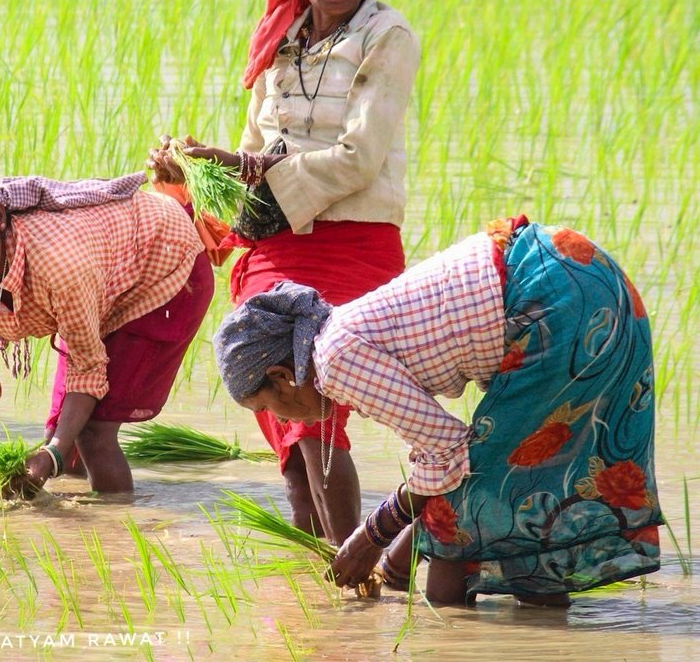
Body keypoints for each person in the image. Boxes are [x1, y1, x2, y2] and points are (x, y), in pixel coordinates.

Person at [150, 0, 420, 552]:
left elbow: (359, 158)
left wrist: (250, 166)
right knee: (282, 412)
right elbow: (254, 148)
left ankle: (350, 563)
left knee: (312, 415)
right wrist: (196, 176)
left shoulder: (388, 36)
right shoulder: (281, 37)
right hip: (274, 245)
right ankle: (317, 580)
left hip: (354, 244)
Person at [212, 216, 660, 605]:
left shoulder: (334, 360)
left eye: (272, 409)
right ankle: (536, 629)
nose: (291, 423)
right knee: (500, 493)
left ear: (282, 376)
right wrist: (398, 544)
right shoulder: (343, 332)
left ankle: (446, 630)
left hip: (558, 300)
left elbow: (448, 451)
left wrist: (373, 536)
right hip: (582, 273)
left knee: (465, 519)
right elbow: (447, 455)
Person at [0, 164, 214, 494]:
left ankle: (119, 536)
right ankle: (73, 531)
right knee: (65, 445)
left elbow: (86, 368)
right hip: (101, 274)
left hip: (162, 261)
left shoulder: (57, 265)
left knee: (94, 433)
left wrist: (50, 453)